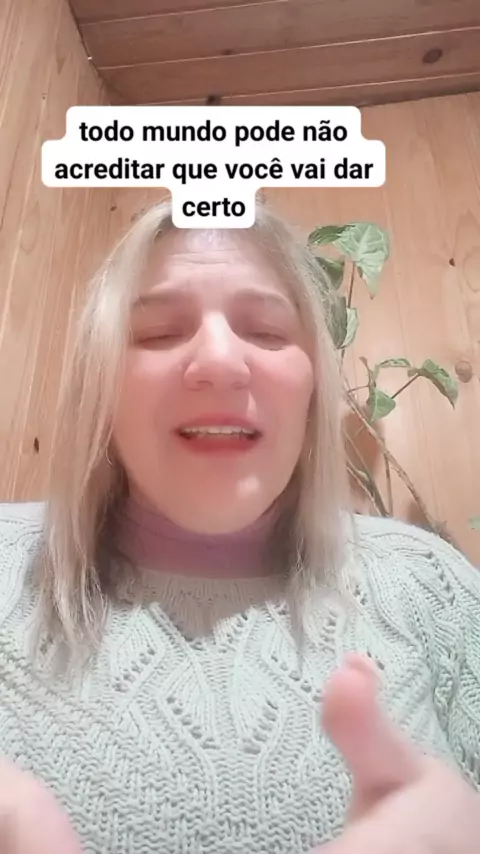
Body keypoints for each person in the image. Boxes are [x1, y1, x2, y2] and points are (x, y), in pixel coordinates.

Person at [0, 198, 478, 854]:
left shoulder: (428, 582)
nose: (220, 361)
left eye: (267, 331)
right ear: (99, 384)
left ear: (313, 386)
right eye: (158, 333)